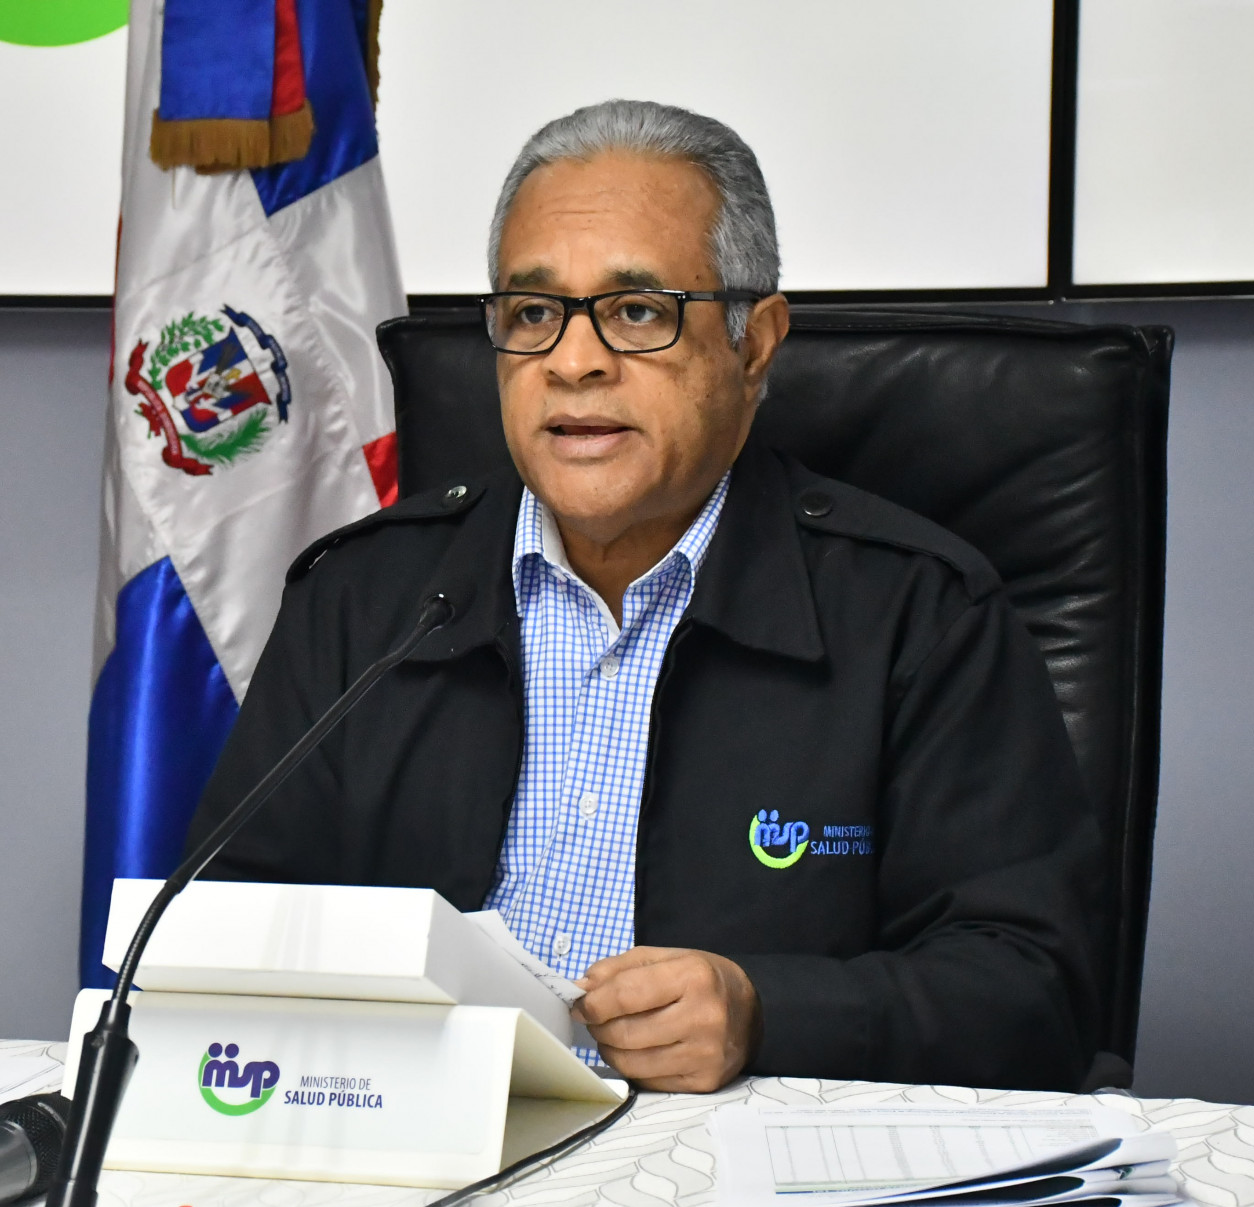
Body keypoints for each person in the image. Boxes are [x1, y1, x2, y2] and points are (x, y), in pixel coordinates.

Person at [193, 99, 1104, 1094]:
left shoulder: (919, 614)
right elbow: (219, 933)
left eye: (637, 311)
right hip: (422, 1140)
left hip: (729, 1166)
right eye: (533, 314)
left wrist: (767, 1012)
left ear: (755, 344)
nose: (573, 361)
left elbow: (1035, 994)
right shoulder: (365, 602)